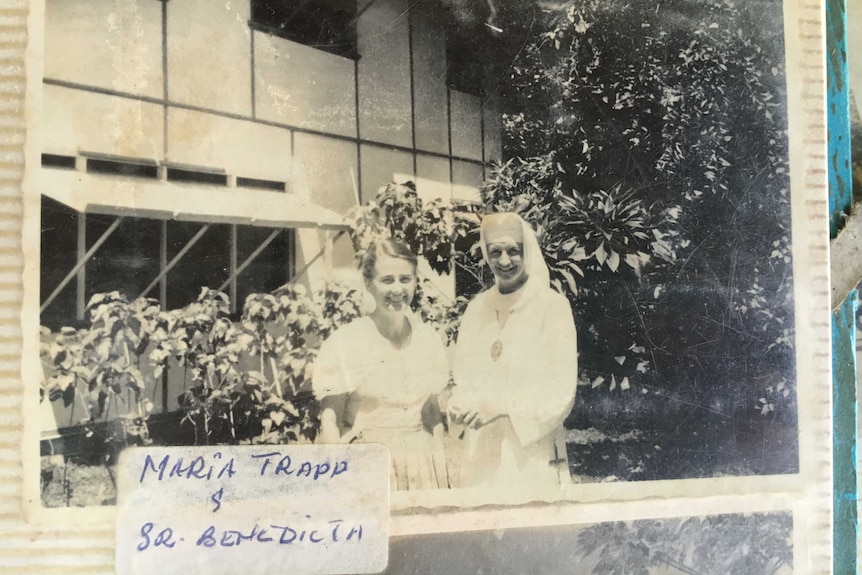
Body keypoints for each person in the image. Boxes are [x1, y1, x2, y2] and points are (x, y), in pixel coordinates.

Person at [448, 212, 578, 490]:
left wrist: (504, 407)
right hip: (480, 446)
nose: (504, 261)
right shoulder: (476, 309)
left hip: (529, 449)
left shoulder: (551, 307)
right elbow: (463, 376)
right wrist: (459, 404)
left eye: (513, 251)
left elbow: (562, 390)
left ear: (526, 251)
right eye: (495, 252)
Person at [312, 238, 451, 491]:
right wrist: (333, 478)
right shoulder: (348, 341)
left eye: (405, 279)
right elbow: (330, 419)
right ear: (368, 283)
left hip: (421, 464)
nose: (398, 290)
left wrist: (441, 465)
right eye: (387, 280)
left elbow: (431, 413)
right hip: (368, 464)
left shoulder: (427, 338)